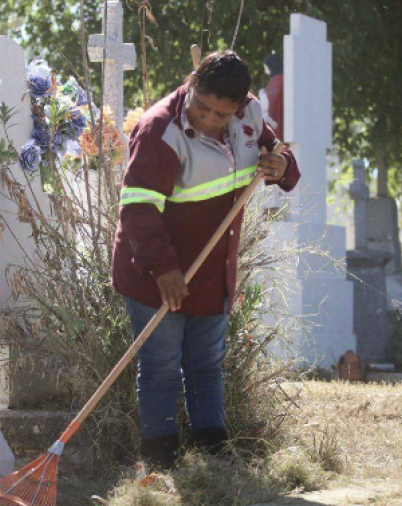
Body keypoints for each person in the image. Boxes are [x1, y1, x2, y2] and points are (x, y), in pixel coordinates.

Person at [111, 51, 300, 469]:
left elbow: (278, 153)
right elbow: (138, 207)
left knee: (206, 364)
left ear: (238, 105)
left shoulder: (248, 116)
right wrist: (164, 267)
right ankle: (161, 467)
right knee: (161, 365)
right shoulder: (160, 130)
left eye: (220, 112)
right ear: (191, 80)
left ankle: (213, 460)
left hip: (212, 270)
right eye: (201, 106)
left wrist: (281, 166)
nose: (209, 119)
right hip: (154, 270)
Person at [263, 53, 284, 141]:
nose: (265, 70)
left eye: (265, 67)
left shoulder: (275, 83)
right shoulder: (283, 80)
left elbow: (271, 106)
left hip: (276, 126)